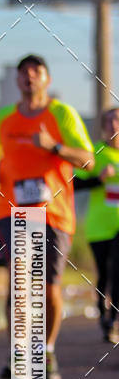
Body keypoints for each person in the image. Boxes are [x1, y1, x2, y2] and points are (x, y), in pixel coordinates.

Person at [0, 54, 94, 379]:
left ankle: (47, 350)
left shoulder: (62, 114)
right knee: (19, 283)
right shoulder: (5, 117)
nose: (29, 76)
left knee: (49, 288)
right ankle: (18, 354)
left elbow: (87, 160)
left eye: (36, 71)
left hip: (53, 213)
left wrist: (54, 147)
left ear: (47, 79)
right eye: (23, 72)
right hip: (11, 211)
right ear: (17, 80)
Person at [74, 108, 119, 342]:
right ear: (103, 126)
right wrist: (98, 179)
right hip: (99, 225)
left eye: (117, 120)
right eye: (109, 121)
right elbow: (73, 184)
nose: (114, 125)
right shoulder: (94, 152)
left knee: (118, 271)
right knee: (104, 273)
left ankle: (113, 319)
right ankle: (103, 314)